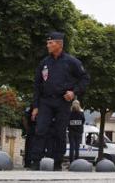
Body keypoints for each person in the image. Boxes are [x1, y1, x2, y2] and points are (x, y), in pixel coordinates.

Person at [30, 31, 90, 171]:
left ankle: (57, 162)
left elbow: (85, 78)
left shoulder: (71, 61)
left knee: (60, 131)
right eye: (47, 42)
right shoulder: (44, 62)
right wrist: (36, 106)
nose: (47, 45)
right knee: (40, 130)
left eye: (50, 43)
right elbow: (37, 85)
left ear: (59, 44)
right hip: (45, 101)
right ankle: (35, 161)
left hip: (63, 102)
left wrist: (73, 92)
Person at [22, 103, 36, 168]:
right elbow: (24, 118)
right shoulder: (31, 106)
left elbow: (24, 118)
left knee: (31, 147)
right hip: (32, 128)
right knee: (29, 147)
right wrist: (27, 128)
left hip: (36, 129)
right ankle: (28, 163)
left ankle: (31, 163)